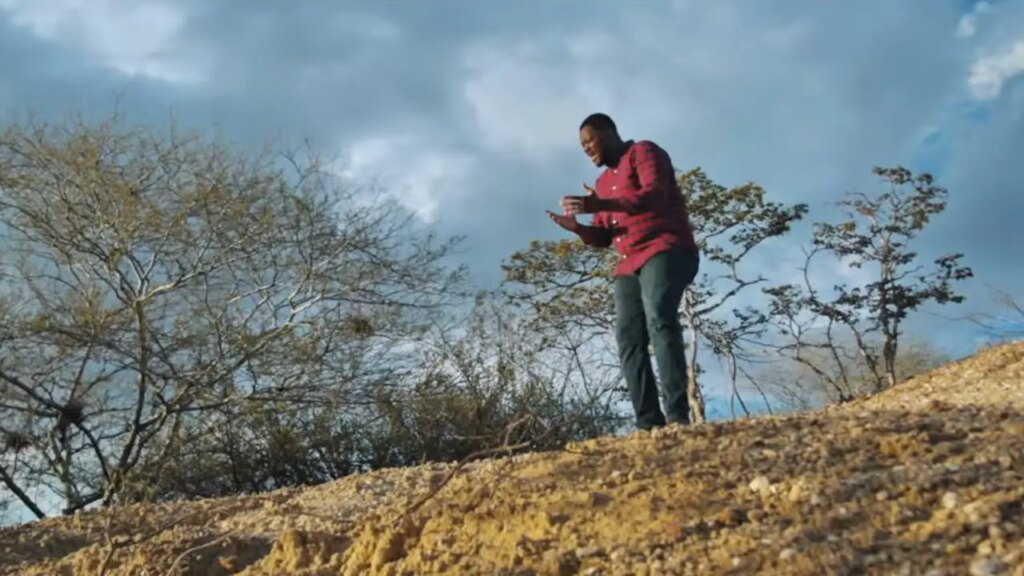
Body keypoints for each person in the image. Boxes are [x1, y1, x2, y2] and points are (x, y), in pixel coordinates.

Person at [547, 113, 699, 430]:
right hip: (629, 262)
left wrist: (600, 205)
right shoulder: (602, 185)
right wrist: (578, 228)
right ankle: (648, 423)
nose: (586, 148)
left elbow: (654, 194)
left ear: (609, 132)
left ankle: (677, 416)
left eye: (590, 140)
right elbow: (603, 237)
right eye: (582, 145)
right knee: (628, 337)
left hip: (665, 247)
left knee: (659, 315)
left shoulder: (644, 152)